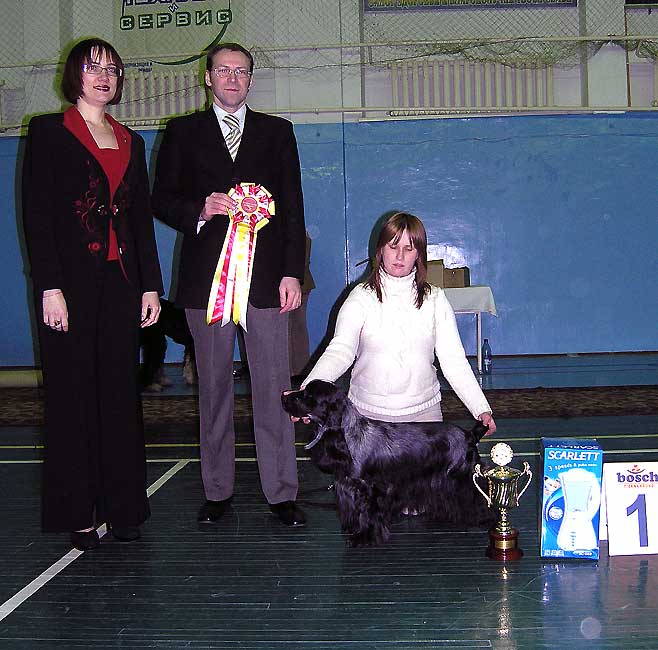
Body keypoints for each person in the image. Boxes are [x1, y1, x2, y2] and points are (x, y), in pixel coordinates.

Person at [152, 43, 307, 528]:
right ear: (207, 77)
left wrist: (292, 272)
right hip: (207, 284)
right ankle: (217, 490)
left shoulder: (278, 132)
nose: (233, 78)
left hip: (267, 283)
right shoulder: (181, 132)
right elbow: (161, 199)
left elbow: (292, 205)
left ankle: (281, 491)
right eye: (224, 70)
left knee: (275, 389)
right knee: (213, 388)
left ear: (251, 80)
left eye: (241, 72)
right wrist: (199, 208)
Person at [22, 38, 163, 551]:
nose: (104, 76)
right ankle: (78, 512)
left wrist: (150, 286)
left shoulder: (131, 140)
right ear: (74, 76)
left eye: (112, 69)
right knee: (72, 397)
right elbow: (37, 215)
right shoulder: (49, 131)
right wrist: (50, 287)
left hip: (122, 284)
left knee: (120, 397)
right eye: (93, 67)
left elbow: (140, 221)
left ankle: (124, 508)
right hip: (70, 287)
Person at [302, 212, 496, 435]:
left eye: (409, 248)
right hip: (366, 421)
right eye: (393, 246)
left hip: (425, 420)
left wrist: (481, 408)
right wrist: (307, 393)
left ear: (419, 254)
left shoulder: (435, 299)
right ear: (380, 250)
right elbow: (340, 352)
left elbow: (454, 361)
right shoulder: (360, 297)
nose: (400, 255)